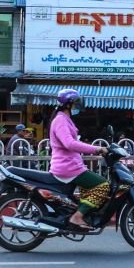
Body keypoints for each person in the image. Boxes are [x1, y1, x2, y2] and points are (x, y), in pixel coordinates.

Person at [48, 89, 109, 231]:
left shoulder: (64, 118)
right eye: (75, 103)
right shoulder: (61, 120)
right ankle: (77, 216)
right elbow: (69, 143)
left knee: (89, 188)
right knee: (103, 185)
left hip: (72, 165)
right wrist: (97, 149)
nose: (77, 106)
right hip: (68, 168)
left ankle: (82, 213)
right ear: (68, 105)